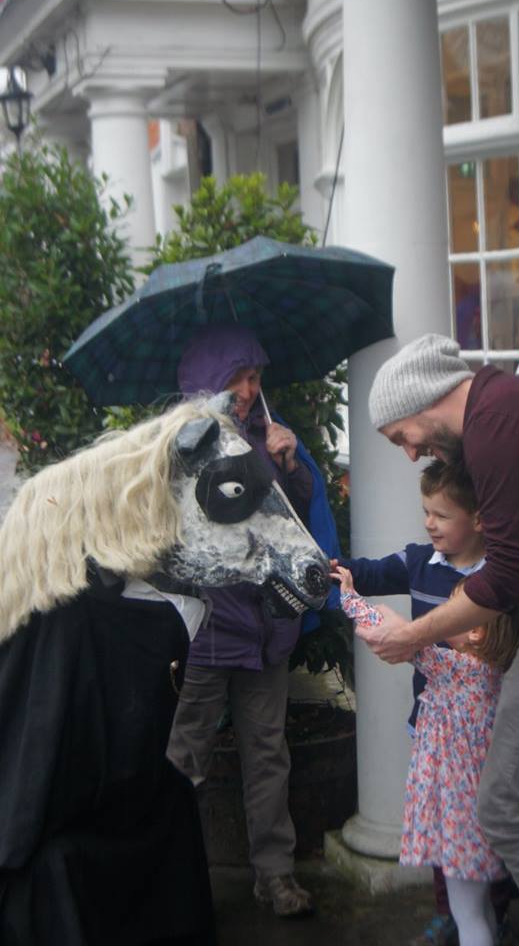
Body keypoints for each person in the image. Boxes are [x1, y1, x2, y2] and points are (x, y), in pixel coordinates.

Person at [360, 333, 519, 946]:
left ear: (422, 401)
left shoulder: (493, 425)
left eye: (402, 437)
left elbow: (511, 572)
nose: (411, 454)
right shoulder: (504, 410)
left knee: (504, 807)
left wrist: (413, 636)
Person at [167, 324, 338, 918]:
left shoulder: (271, 437)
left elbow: (292, 527)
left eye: (255, 377)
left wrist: (290, 469)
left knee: (268, 755)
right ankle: (173, 880)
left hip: (268, 628)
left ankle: (275, 876)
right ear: (210, 382)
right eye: (239, 377)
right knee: (184, 760)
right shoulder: (181, 446)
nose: (250, 389)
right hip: (208, 633)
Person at [334, 460, 511, 944]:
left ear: (478, 519)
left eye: (441, 515)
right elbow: (372, 571)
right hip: (441, 733)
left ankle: (480, 916)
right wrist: (335, 569)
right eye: (425, 512)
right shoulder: (418, 561)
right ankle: (459, 913)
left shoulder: (500, 577)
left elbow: (390, 631)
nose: (429, 523)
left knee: (466, 834)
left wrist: (350, 599)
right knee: (451, 834)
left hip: (470, 745)